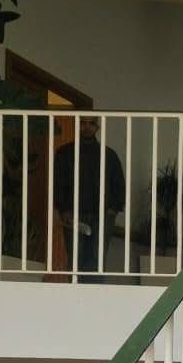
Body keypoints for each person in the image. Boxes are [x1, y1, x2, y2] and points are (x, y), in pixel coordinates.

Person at [53, 115, 127, 283]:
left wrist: (113, 210)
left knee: (97, 260)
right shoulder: (64, 153)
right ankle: (75, 296)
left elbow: (119, 185)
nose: (87, 127)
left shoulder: (108, 155)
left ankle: (95, 296)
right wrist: (64, 210)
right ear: (77, 125)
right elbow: (58, 183)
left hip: (103, 215)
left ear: (97, 127)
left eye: (91, 123)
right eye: (83, 123)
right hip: (73, 214)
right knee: (75, 260)